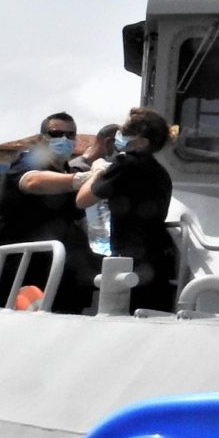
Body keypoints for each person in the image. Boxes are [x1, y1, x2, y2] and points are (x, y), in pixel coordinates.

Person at [0, 111, 98, 314]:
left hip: (55, 268)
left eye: (70, 135)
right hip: (17, 268)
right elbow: (32, 181)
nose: (64, 139)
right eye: (56, 133)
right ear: (42, 138)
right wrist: (80, 179)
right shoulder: (28, 161)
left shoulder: (66, 172)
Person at [75, 106, 177, 314]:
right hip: (157, 261)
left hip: (130, 262)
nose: (119, 136)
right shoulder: (161, 173)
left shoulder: (125, 165)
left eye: (124, 131)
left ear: (140, 140)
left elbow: (82, 200)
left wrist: (98, 171)